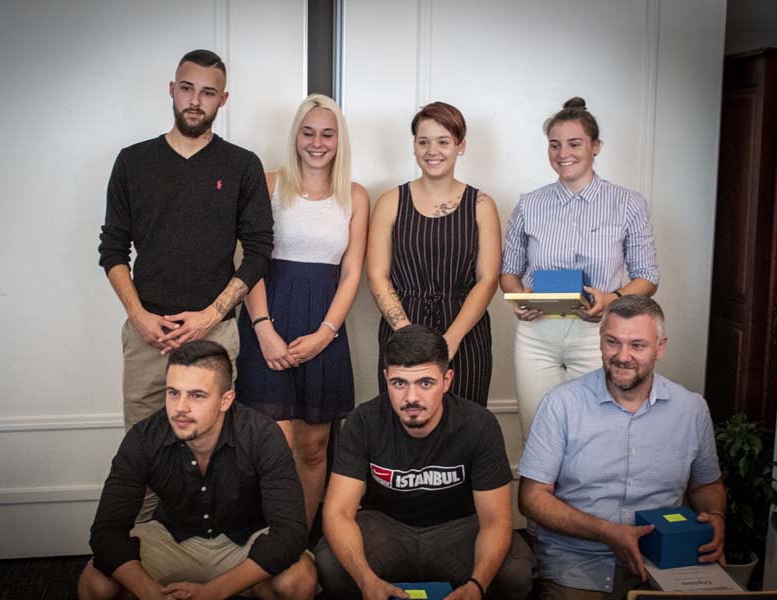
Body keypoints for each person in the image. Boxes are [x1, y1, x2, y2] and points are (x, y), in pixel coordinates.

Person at [98, 49, 273, 431]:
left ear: (223, 99)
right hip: (148, 335)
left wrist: (211, 315)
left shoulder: (242, 165)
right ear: (172, 89)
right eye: (187, 88)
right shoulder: (133, 162)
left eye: (208, 92)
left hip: (215, 333)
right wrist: (138, 316)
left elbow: (259, 252)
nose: (195, 100)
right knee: (143, 447)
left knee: (212, 445)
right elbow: (112, 249)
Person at [517, 296, 725, 600]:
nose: (622, 356)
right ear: (600, 341)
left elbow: (706, 485)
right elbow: (531, 498)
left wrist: (716, 515)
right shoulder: (561, 404)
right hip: (578, 565)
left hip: (664, 563)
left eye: (637, 345)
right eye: (612, 342)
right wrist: (607, 531)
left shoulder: (691, 409)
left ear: (660, 348)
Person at [77, 340, 315, 600]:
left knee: (298, 579)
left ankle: (240, 586)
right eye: (173, 393)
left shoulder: (262, 435)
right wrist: (148, 591)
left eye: (197, 395)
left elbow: (290, 532)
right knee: (96, 582)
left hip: (244, 542)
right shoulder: (144, 437)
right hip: (172, 538)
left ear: (225, 400)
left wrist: (215, 591)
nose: (180, 408)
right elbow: (107, 531)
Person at [316, 325, 534, 600]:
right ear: (386, 378)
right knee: (331, 563)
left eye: (426, 383)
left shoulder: (478, 424)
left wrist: (477, 586)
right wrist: (365, 580)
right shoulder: (364, 421)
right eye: (399, 383)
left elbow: (495, 520)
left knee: (514, 572)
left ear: (447, 380)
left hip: (457, 530)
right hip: (386, 527)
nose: (411, 398)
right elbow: (338, 512)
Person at [235, 94, 369, 528]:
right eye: (308, 133)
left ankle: (298, 542)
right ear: (295, 136)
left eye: (327, 134)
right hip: (268, 322)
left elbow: (351, 273)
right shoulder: (268, 183)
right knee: (271, 446)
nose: (317, 142)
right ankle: (263, 543)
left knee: (313, 448)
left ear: (339, 140)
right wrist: (263, 330)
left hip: (324, 328)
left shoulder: (355, 195)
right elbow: (250, 261)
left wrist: (325, 334)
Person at [500, 97, 659, 438]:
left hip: (597, 333)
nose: (563, 154)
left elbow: (648, 278)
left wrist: (611, 298)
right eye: (554, 145)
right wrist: (519, 298)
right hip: (536, 336)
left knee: (593, 434)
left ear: (595, 146)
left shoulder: (628, 204)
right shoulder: (529, 204)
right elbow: (508, 272)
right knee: (538, 432)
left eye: (574, 144)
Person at [368, 102, 501, 407]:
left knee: (465, 422)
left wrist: (450, 340)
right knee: (402, 419)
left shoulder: (482, 205)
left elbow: (488, 279)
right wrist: (408, 336)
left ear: (460, 146)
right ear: (414, 146)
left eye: (443, 142)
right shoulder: (390, 201)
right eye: (423, 142)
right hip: (402, 326)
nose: (432, 151)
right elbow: (377, 276)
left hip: (466, 332)